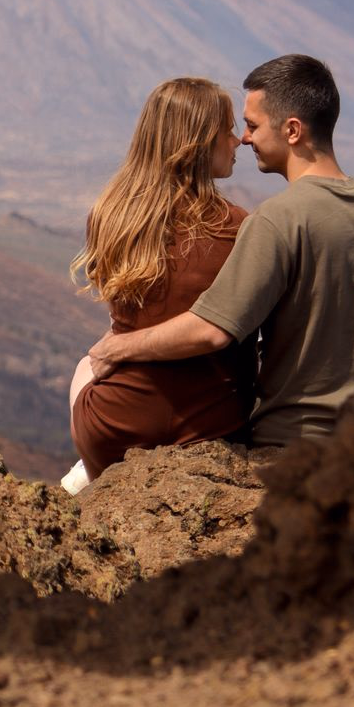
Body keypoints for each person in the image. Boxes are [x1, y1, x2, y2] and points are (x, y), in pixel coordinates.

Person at [88, 54, 354, 446]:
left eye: (252, 125)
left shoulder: (277, 220)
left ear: (292, 130)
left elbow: (211, 330)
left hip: (291, 445)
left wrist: (117, 347)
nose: (244, 138)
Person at [65, 76, 255, 485]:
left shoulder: (112, 214)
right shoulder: (239, 227)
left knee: (87, 363)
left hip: (114, 427)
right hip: (211, 426)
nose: (238, 141)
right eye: (228, 130)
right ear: (200, 141)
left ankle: (93, 483)